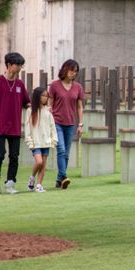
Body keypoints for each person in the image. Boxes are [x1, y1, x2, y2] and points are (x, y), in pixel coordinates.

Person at [0, 52, 30, 195]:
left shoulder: (20, 85)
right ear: (9, 65)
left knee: (14, 156)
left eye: (21, 65)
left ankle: (10, 183)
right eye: (17, 65)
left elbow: (26, 103)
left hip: (15, 127)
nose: (19, 68)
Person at [48, 59, 86, 189]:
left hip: (71, 124)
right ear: (65, 70)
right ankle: (64, 176)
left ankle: (59, 180)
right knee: (61, 150)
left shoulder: (78, 87)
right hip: (57, 122)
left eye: (75, 71)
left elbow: (80, 107)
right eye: (71, 70)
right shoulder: (54, 85)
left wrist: (80, 124)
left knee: (66, 153)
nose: (73, 73)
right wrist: (49, 120)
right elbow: (50, 104)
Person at [24, 86, 58, 192]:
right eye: (43, 95)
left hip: (46, 142)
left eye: (46, 96)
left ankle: (39, 185)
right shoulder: (30, 111)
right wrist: (30, 141)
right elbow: (27, 127)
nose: (45, 98)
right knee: (39, 162)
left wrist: (53, 140)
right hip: (36, 143)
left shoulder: (48, 112)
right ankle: (32, 178)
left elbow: (52, 127)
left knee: (43, 164)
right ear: (37, 96)